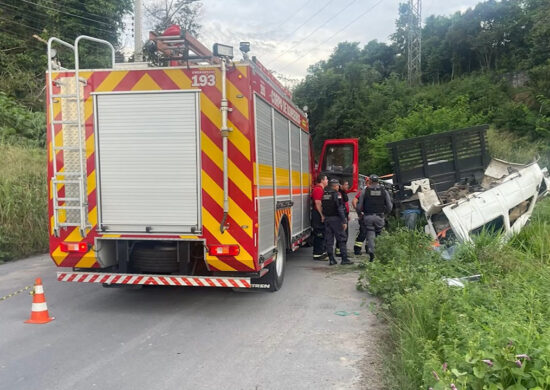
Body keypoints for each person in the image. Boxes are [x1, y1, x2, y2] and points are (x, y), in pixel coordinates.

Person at [356, 174, 393, 261]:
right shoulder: (384, 191)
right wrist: (385, 214)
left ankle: (372, 254)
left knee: (370, 234)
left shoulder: (365, 191)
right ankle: (380, 254)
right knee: (380, 234)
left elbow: (359, 206)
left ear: (370, 181)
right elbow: (390, 206)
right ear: (378, 181)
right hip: (380, 216)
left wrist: (360, 214)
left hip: (368, 216)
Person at [322, 179, 353, 266]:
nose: (338, 187)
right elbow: (340, 208)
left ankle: (331, 259)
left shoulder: (325, 194)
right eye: (338, 185)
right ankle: (344, 259)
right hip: (336, 219)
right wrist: (344, 221)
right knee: (342, 238)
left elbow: (322, 206)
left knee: (329, 240)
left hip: (327, 219)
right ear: (335, 186)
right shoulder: (337, 194)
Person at [311, 174, 328, 261]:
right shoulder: (318, 189)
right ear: (322, 180)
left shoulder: (320, 189)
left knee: (322, 233)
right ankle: (318, 254)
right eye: (326, 179)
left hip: (318, 214)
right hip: (317, 215)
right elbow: (318, 203)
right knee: (319, 234)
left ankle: (320, 252)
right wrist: (322, 215)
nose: (327, 180)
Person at [335, 180, 350, 257]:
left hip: (345, 215)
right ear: (341, 186)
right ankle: (339, 251)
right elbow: (341, 207)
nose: (347, 186)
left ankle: (339, 250)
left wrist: (348, 214)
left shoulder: (343, 193)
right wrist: (344, 218)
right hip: (342, 217)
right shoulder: (340, 194)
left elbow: (345, 205)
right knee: (343, 235)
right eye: (346, 184)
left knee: (344, 234)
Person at [351, 190, 368, 255]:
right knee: (363, 232)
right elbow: (354, 201)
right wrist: (359, 212)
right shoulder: (363, 192)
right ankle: (357, 249)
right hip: (364, 215)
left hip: (371, 215)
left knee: (370, 233)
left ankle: (368, 249)